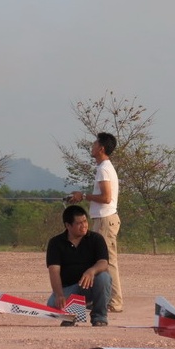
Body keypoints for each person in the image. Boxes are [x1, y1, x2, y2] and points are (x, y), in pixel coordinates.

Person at [69, 132, 123, 313]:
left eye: (94, 144)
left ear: (101, 148)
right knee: (99, 259)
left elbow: (106, 198)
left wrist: (84, 196)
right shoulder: (104, 167)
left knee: (107, 261)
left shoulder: (103, 169)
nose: (91, 147)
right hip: (103, 219)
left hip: (106, 220)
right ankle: (101, 298)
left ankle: (115, 302)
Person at [46, 205, 111, 326]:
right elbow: (54, 271)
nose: (84, 225)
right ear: (68, 225)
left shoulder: (96, 239)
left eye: (85, 221)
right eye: (79, 223)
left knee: (104, 277)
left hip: (89, 287)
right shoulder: (56, 243)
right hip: (69, 288)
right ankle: (72, 316)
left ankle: (99, 316)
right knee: (52, 304)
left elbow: (103, 262)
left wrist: (91, 271)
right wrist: (59, 294)